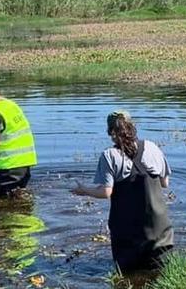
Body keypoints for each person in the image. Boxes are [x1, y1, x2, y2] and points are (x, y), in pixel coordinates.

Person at [72, 110, 173, 272]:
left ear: (110, 132)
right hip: (160, 230)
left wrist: (84, 190)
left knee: (126, 276)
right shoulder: (152, 147)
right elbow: (165, 183)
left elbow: (106, 192)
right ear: (132, 127)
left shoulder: (109, 155)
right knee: (160, 274)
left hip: (128, 235)